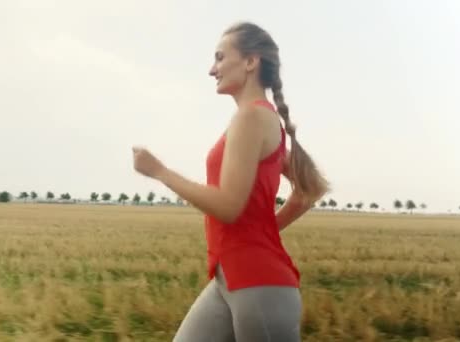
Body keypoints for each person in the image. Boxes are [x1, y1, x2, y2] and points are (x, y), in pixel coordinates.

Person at [132, 21, 329, 342]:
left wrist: (160, 172)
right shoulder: (261, 119)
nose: (212, 69)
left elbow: (228, 207)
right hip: (231, 278)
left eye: (221, 57)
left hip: (259, 284)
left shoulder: (251, 117)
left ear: (251, 62)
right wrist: (262, 231)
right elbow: (309, 191)